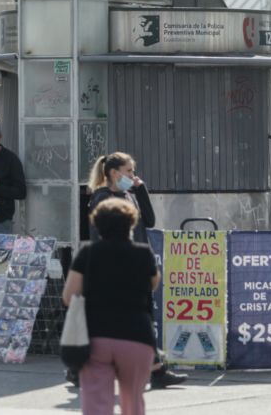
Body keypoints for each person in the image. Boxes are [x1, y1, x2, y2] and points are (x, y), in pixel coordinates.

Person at [78, 152, 187, 389]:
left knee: (139, 321)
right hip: (116, 270)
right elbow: (100, 235)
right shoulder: (102, 198)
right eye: (129, 172)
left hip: (135, 264)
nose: (133, 176)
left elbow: (148, 220)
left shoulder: (130, 194)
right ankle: (82, 367)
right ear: (114, 173)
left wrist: (141, 189)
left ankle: (155, 372)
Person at [63, 198, 159, 415]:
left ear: (97, 224)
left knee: (96, 402)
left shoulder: (87, 253)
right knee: (133, 401)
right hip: (137, 337)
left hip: (96, 337)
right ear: (131, 223)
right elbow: (153, 284)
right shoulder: (143, 253)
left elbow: (69, 296)